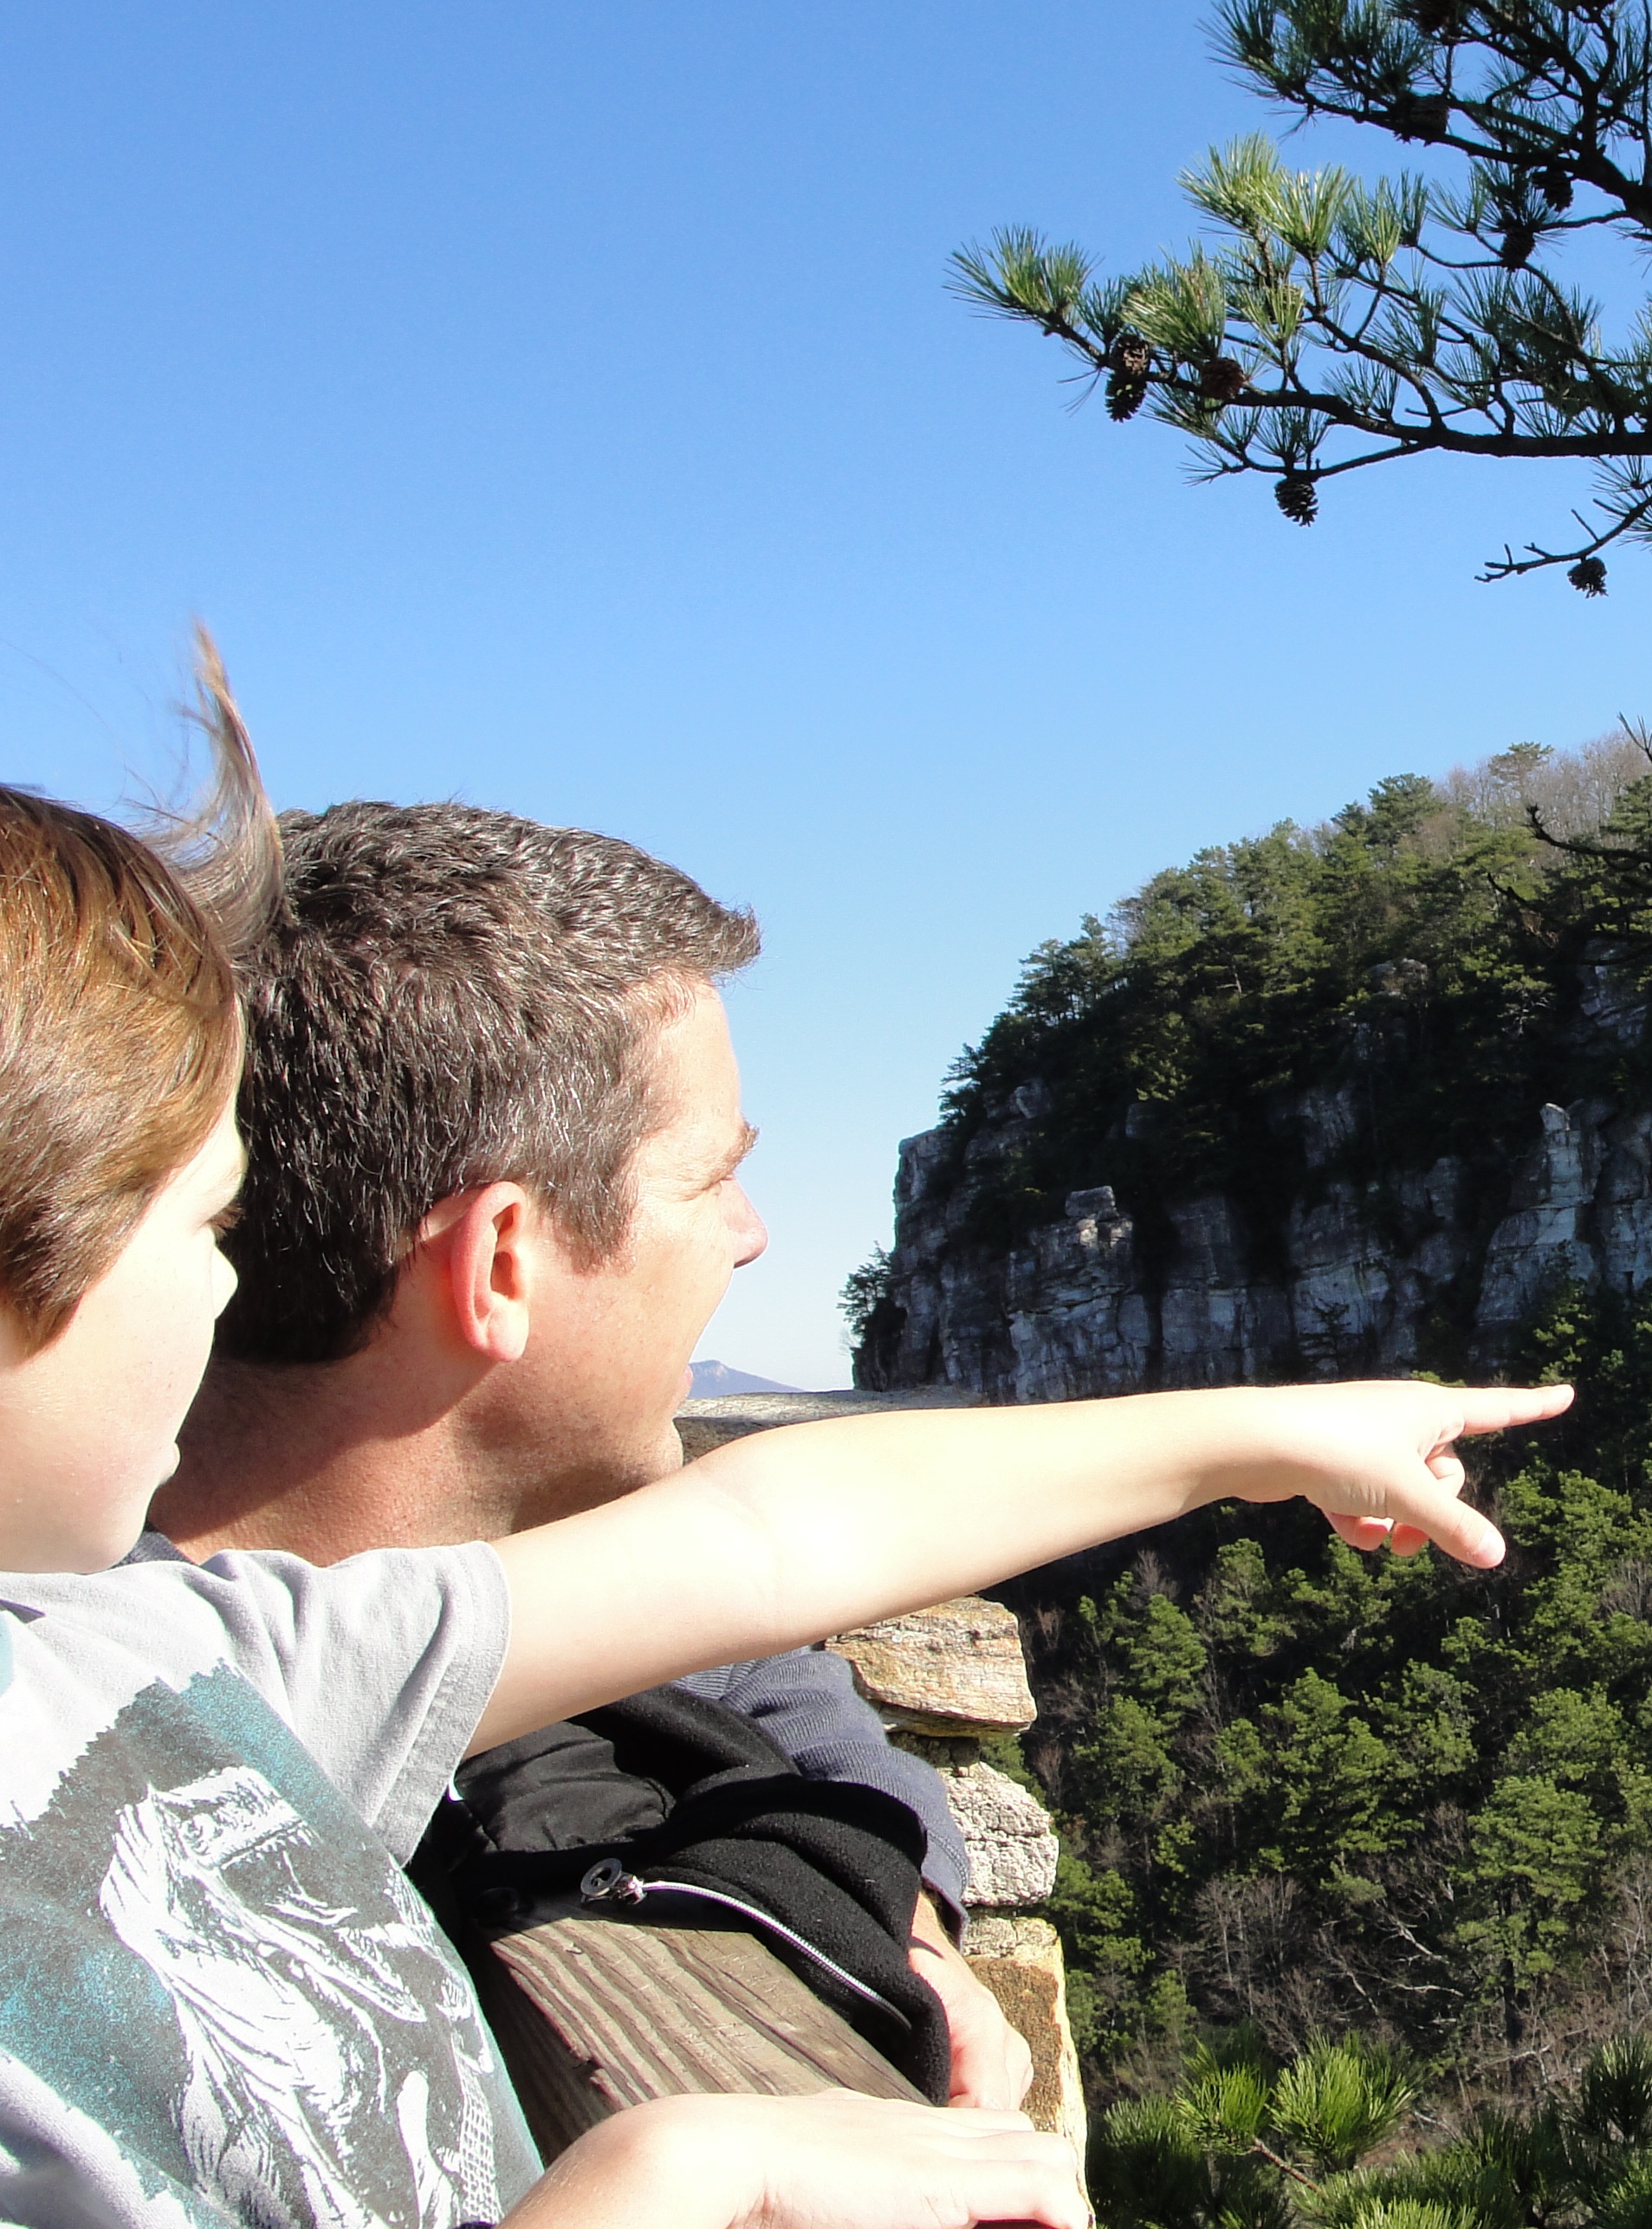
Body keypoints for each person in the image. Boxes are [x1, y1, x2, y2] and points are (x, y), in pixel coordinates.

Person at [0, 657, 1566, 2227]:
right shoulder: (161, 1677)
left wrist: (1267, 1431)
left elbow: (772, 1539)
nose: (755, 1234)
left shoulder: (161, 1665)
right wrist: (672, 2180)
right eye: (201, 1227)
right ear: (500, 1261)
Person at [147, 798, 1019, 2106]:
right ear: (499, 1261)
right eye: (710, 1176)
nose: (753, 1234)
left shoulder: (495, 1545)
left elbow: (772, 1674)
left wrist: (907, 1925)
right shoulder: (134, 1731)